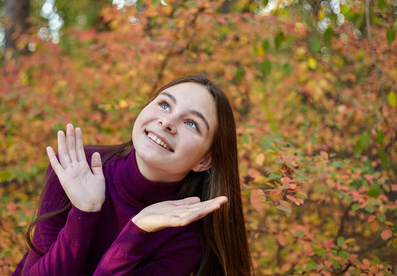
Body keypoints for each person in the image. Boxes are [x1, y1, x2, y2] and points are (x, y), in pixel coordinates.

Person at [13, 75, 254, 275]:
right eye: (165, 104)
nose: (167, 121)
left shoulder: (186, 238)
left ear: (204, 160)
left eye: (191, 123)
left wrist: (136, 231)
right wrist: (83, 213)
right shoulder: (78, 166)